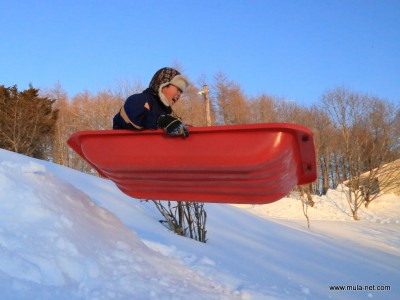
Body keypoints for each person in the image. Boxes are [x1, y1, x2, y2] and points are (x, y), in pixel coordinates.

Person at [113, 67, 190, 137]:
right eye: (178, 89)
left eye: (181, 92)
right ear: (163, 85)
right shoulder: (142, 99)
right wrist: (161, 120)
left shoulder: (165, 113)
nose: (179, 94)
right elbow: (133, 112)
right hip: (124, 146)